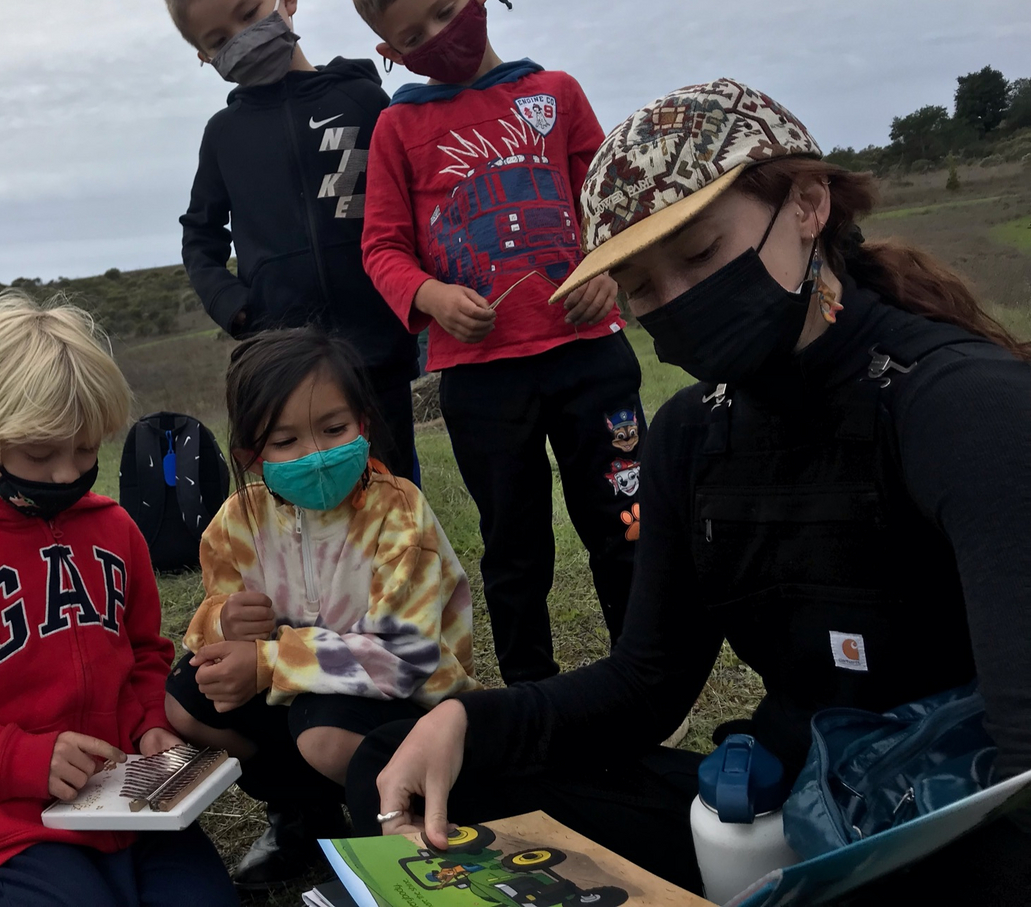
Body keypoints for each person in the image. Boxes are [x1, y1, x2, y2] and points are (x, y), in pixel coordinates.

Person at [349, 79, 1031, 903]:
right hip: (784, 805)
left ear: (808, 204)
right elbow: (646, 685)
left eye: (700, 255)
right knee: (402, 774)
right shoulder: (689, 435)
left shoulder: (959, 405)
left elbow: (1022, 747)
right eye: (639, 286)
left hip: (962, 816)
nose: (676, 302)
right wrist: (467, 721)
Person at [0, 292, 237, 907]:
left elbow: (142, 654)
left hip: (137, 807)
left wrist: (152, 726)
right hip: (15, 828)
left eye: (85, 450)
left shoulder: (116, 530)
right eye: (38, 453)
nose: (65, 474)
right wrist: (17, 759)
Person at [347, 0, 645, 685]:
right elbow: (380, 246)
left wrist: (607, 271)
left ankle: (644, 681)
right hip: (482, 380)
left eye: (445, 11)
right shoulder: (396, 128)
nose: (436, 37)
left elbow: (608, 208)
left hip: (591, 357)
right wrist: (431, 296)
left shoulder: (556, 93)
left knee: (624, 531)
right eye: (412, 35)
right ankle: (529, 699)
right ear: (389, 51)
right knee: (514, 548)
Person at [166, 327, 478, 888]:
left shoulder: (398, 511)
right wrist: (220, 622)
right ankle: (303, 815)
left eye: (333, 429)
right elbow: (210, 615)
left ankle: (387, 828)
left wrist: (266, 663)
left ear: (362, 421)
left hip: (411, 708)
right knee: (188, 698)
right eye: (284, 441)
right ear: (251, 456)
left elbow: (405, 657)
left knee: (322, 729)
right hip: (304, 699)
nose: (315, 456)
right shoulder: (236, 523)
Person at [165, 0, 422, 482]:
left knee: (398, 501)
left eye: (249, 11)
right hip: (286, 370)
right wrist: (239, 310)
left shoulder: (363, 100)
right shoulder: (223, 136)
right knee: (311, 517)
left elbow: (414, 202)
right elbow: (199, 239)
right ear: (204, 55)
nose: (241, 36)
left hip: (380, 352)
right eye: (218, 36)